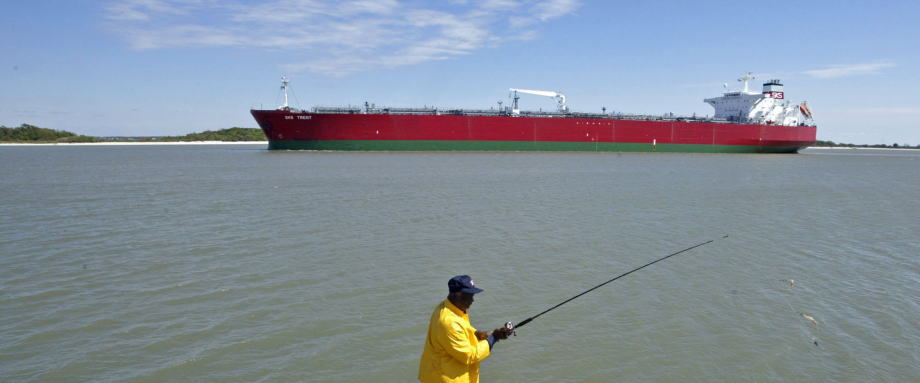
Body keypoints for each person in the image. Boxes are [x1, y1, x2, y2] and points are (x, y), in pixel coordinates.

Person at [418, 275, 512, 383]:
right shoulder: (449, 322)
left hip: (435, 372)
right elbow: (469, 355)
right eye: (468, 296)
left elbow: (462, 327)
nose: (472, 300)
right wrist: (493, 338)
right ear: (455, 295)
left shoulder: (446, 308)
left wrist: (478, 334)